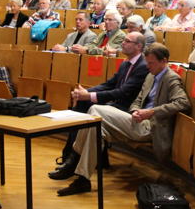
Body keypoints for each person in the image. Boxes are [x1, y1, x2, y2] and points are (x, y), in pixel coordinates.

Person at [56, 44, 191, 196]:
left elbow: (183, 102)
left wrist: (151, 112)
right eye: (147, 62)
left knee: (94, 109)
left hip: (151, 127)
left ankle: (73, 158)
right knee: (96, 131)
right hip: (138, 121)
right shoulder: (150, 76)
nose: (148, 66)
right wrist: (134, 112)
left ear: (164, 61)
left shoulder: (172, 78)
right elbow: (139, 99)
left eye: (151, 62)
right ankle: (83, 179)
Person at [48, 32, 150, 183]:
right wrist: (86, 92)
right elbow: (108, 84)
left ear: (138, 46)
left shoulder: (143, 67)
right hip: (116, 105)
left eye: (127, 41)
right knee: (83, 104)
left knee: (89, 106)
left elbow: (121, 92)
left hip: (125, 110)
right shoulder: (125, 63)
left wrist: (89, 96)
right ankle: (72, 157)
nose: (123, 43)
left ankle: (71, 159)